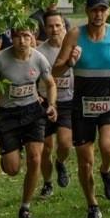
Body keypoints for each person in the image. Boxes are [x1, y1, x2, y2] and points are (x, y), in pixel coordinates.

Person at [52, 0, 110, 218]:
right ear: (87, 11)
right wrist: (70, 62)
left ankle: (106, 171)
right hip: (82, 102)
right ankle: (92, 205)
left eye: (102, 10)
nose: (98, 14)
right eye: (94, 10)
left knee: (108, 147)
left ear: (108, 11)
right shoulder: (74, 35)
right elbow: (55, 70)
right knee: (85, 160)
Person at [0, 22, 57, 218]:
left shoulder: (39, 59)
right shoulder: (0, 60)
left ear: (32, 37)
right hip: (8, 115)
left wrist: (51, 105)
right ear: (11, 38)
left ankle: (25, 207)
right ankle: (9, 155)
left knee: (35, 158)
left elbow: (51, 84)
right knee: (12, 169)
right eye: (17, 36)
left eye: (26, 36)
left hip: (32, 112)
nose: (22, 41)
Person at [36, 11, 73, 195]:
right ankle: (48, 183)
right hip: (44, 102)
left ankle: (60, 162)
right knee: (46, 147)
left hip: (68, 101)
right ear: (45, 28)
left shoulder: (74, 47)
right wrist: (35, 95)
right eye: (50, 26)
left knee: (65, 143)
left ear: (64, 26)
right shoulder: (39, 53)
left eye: (58, 25)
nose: (55, 29)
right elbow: (31, 79)